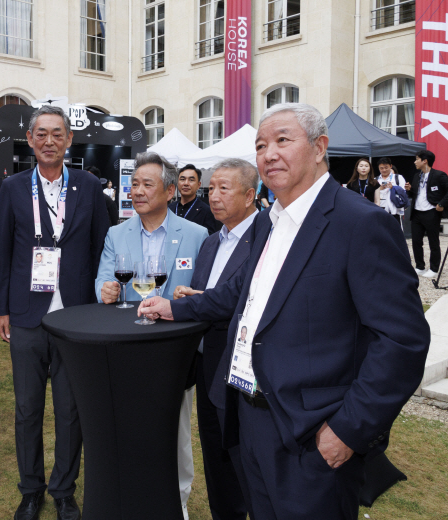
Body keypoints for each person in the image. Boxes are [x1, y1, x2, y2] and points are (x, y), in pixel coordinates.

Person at [139, 103, 430, 520]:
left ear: (319, 148)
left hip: (312, 434)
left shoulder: (360, 224)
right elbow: (234, 296)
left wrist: (348, 431)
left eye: (282, 140)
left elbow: (402, 341)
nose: (268, 153)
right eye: (260, 145)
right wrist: (173, 306)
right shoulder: (266, 224)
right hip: (250, 418)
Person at [0, 105, 109, 520]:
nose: (49, 141)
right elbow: (3, 251)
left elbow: (100, 250)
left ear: (68, 140)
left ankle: (63, 489)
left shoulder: (88, 186)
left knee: (70, 409)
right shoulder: (12, 188)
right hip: (26, 315)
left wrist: (97, 307)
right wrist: (2, 307)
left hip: (75, 316)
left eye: (56, 134)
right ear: (30, 139)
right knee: (27, 409)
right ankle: (30, 490)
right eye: (41, 134)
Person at [95, 151, 208, 520]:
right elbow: (104, 278)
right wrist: (106, 291)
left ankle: (178, 500)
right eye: (134, 184)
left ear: (170, 190)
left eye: (147, 184)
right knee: (128, 426)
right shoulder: (117, 232)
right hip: (128, 346)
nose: (137, 192)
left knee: (174, 429)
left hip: (176, 350)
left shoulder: (195, 234)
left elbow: (206, 291)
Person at [171, 158, 257, 520]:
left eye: (225, 188)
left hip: (245, 370)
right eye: (212, 189)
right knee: (216, 459)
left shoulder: (266, 237)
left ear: (251, 195)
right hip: (208, 365)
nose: (215, 197)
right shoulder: (209, 243)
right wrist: (193, 298)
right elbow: (208, 297)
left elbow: (238, 298)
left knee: (245, 462)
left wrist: (184, 306)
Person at [406, 149, 448, 278]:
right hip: (417, 212)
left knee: (433, 241)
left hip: (431, 212)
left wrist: (441, 204)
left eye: (417, 159)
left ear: (424, 161)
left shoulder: (439, 175)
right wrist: (409, 190)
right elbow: (416, 193)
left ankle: (434, 268)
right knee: (416, 241)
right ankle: (419, 266)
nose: (415, 162)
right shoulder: (417, 175)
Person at [170, 164, 218, 235]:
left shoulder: (206, 211)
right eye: (182, 179)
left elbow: (209, 238)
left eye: (191, 180)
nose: (186, 183)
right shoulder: (170, 208)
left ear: (199, 185)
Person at [375, 157, 407, 225]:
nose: (384, 170)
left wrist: (393, 187)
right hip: (380, 210)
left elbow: (403, 193)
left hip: (395, 210)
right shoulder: (375, 180)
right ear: (378, 168)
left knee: (395, 232)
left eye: (386, 167)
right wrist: (379, 188)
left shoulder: (398, 178)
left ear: (391, 166)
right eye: (381, 168)